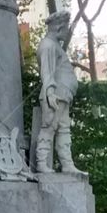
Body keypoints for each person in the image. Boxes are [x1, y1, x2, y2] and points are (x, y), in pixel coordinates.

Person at [34, 10, 79, 175]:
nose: (67, 32)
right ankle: (41, 163)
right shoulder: (48, 46)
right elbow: (47, 72)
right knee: (49, 127)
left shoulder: (54, 46)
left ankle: (67, 164)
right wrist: (50, 93)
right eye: (66, 27)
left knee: (64, 128)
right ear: (59, 28)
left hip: (63, 94)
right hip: (55, 94)